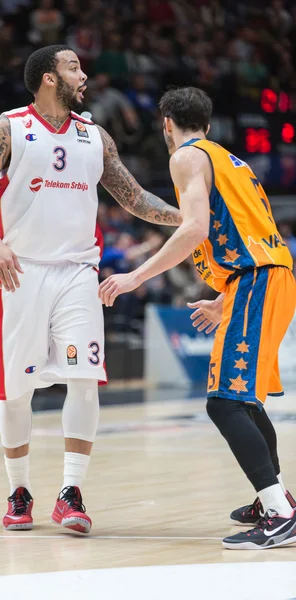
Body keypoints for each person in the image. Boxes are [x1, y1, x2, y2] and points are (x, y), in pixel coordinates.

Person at [0, 44, 181, 533]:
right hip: (19, 271)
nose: (84, 74)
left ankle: (71, 491)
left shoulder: (94, 136)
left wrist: (186, 220)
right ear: (47, 78)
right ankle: (19, 491)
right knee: (15, 391)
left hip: (79, 271)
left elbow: (134, 197)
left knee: (85, 379)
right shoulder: (10, 127)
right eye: (73, 66)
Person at [99, 86, 296, 550]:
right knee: (244, 400)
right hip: (268, 279)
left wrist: (135, 277)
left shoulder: (186, 157)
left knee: (224, 401)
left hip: (255, 282)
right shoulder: (232, 161)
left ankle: (281, 513)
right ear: (208, 123)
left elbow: (194, 229)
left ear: (166, 122)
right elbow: (256, 237)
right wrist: (224, 298)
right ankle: (275, 497)